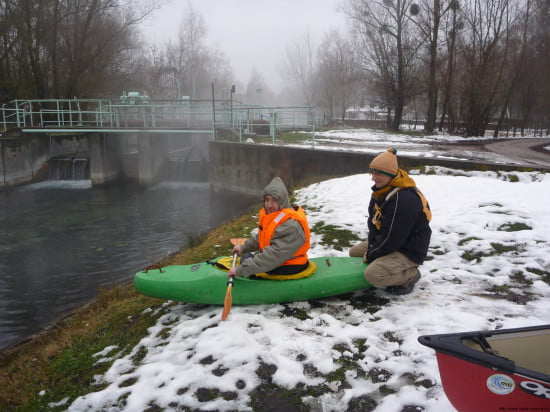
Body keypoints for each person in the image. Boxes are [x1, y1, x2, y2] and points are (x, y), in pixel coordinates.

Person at [349, 147, 432, 295]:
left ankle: (410, 275)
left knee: (374, 275)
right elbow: (373, 224)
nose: (373, 178)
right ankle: (384, 262)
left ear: (391, 174)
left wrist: (372, 253)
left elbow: (393, 238)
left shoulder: (403, 199)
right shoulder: (381, 191)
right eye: (372, 173)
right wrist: (372, 247)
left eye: (378, 174)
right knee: (354, 252)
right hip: (391, 241)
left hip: (408, 249)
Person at [227, 176, 313, 279]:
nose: (269, 205)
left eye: (274, 200)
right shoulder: (275, 216)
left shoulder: (290, 225)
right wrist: (243, 248)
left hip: (288, 266)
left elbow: (272, 256)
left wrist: (240, 270)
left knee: (246, 261)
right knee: (246, 258)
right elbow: (263, 237)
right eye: (267, 200)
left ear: (282, 201)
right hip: (281, 261)